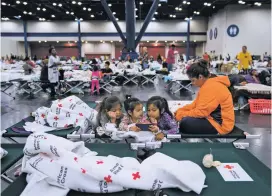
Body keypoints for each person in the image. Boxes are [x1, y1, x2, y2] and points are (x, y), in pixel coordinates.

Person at [175, 60, 234, 135]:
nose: (192, 84)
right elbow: (195, 104)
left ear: (200, 77)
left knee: (185, 123)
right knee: (184, 118)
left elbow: (201, 112)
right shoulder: (208, 84)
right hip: (211, 118)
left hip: (220, 125)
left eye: (193, 80)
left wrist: (182, 114)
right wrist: (180, 110)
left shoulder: (211, 87)